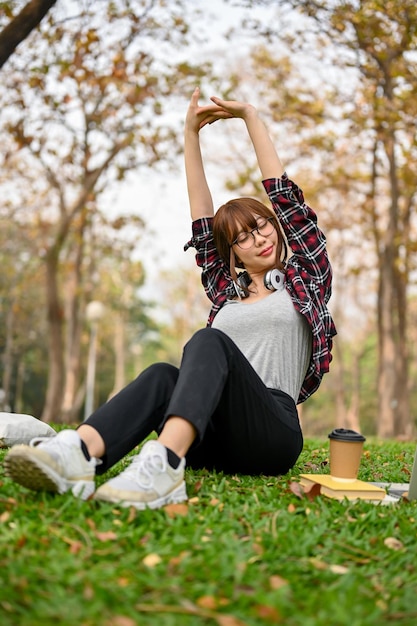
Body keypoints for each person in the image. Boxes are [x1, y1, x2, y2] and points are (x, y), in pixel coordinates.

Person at [4, 88, 336, 509]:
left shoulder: (304, 279)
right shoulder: (224, 293)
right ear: (231, 253)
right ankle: (78, 454)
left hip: (272, 434)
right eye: (243, 238)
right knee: (163, 374)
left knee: (209, 340)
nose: (259, 240)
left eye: (261, 226)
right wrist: (190, 133)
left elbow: (288, 202)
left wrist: (250, 116)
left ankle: (163, 466)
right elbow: (201, 217)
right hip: (212, 435)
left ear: (275, 224)